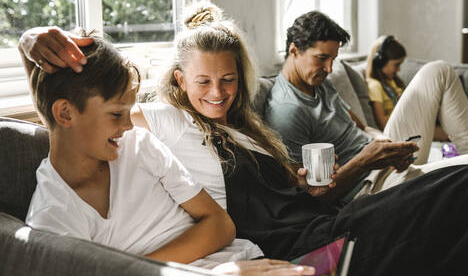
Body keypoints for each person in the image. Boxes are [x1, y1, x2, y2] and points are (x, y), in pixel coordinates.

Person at [19, 3, 468, 276]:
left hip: (326, 219)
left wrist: (304, 183)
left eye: (227, 80)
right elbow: (74, 116)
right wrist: (30, 42)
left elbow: (294, 198)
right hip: (298, 242)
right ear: (180, 82)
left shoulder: (245, 128)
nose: (218, 93)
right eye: (203, 82)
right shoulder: (161, 123)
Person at [20, 30, 289, 273]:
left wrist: (26, 43)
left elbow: (221, 225)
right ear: (65, 113)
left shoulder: (139, 146)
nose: (128, 125)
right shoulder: (53, 217)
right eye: (116, 114)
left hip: (244, 261)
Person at [264, 10, 468, 201]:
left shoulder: (318, 83)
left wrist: (381, 141)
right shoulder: (286, 111)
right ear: (294, 50)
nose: (330, 69)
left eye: (333, 59)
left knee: (439, 71)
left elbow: (361, 126)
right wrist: (365, 162)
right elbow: (310, 197)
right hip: (370, 185)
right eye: (322, 58)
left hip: (383, 158)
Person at [366, 35, 468, 143]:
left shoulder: (393, 82)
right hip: (411, 129)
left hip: (421, 119)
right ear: (379, 62)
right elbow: (384, 125)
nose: (399, 70)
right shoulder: (375, 85)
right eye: (396, 65)